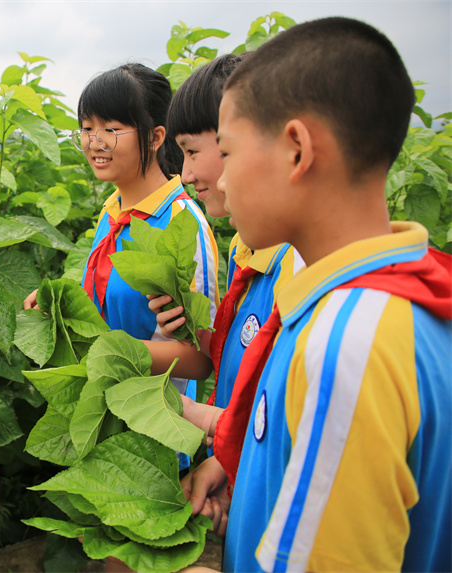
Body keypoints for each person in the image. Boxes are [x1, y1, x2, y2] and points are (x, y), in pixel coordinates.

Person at [181, 17, 452, 573]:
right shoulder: (403, 302)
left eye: (227, 154)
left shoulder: (346, 343)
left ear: (297, 151)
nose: (222, 181)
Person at [24, 63, 219, 390]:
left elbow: (201, 359)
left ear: (156, 137)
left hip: (156, 418)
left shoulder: (182, 224)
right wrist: (61, 309)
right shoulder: (112, 211)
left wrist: (112, 351)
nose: (94, 143)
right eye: (87, 128)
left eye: (111, 130)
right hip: (105, 403)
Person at [150, 54, 304, 463]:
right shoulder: (244, 248)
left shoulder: (300, 268)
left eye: (192, 151)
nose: (184, 174)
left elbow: (289, 426)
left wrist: (198, 416)